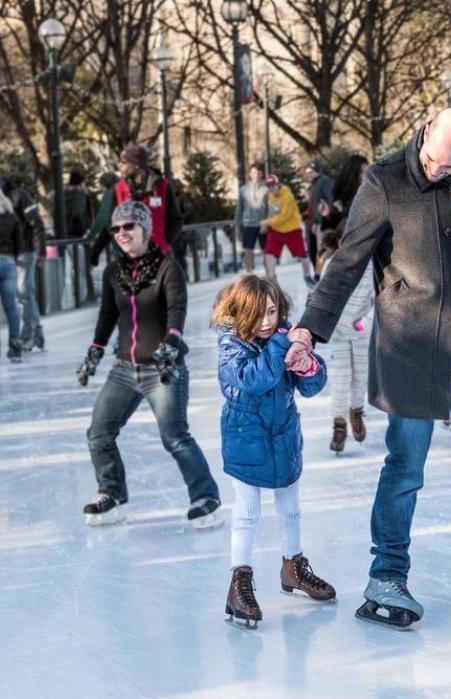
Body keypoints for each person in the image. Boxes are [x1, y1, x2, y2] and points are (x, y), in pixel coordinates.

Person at [288, 108, 451, 628]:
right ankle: (386, 575)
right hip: (410, 345)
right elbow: (347, 260)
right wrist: (309, 329)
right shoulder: (385, 179)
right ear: (426, 132)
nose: (436, 169)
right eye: (432, 157)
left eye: (449, 164)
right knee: (405, 466)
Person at [76, 201, 221, 527]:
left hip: (162, 369)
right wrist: (95, 351)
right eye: (116, 229)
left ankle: (206, 498)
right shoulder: (113, 272)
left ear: (145, 228)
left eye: (129, 226)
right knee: (99, 433)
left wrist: (171, 342)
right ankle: (111, 495)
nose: (122, 233)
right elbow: (107, 315)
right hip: (124, 369)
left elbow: (177, 309)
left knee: (175, 437)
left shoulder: (167, 267)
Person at [211, 275, 333, 629]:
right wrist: (284, 345)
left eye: (272, 311)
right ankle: (240, 582)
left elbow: (311, 387)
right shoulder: (231, 348)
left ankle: (293, 567)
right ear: (240, 314)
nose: (267, 321)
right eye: (257, 314)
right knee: (247, 513)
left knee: (290, 508)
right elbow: (255, 378)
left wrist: (307, 364)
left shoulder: (280, 341)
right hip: (245, 439)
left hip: (283, 436)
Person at [321, 154, 373, 455]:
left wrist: (363, 322)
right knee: (341, 376)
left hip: (360, 326)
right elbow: (323, 298)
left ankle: (356, 410)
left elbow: (376, 299)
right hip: (339, 330)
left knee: (360, 375)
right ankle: (339, 423)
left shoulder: (371, 265)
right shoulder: (333, 267)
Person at [88, 144, 183, 265]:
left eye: (124, 162)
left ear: (137, 165)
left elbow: (177, 219)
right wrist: (96, 250)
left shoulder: (162, 187)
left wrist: (164, 242)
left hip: (160, 257)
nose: (119, 165)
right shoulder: (119, 190)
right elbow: (110, 225)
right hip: (130, 260)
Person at [0, 177, 47, 352]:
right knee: (25, 294)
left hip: (25, 250)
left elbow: (37, 223)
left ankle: (28, 336)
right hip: (12, 253)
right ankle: (37, 333)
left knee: (24, 294)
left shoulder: (20, 196)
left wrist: (41, 250)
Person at [261, 174, 316, 290]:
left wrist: (267, 222)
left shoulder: (288, 196)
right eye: (269, 186)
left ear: (277, 184)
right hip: (276, 230)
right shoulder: (271, 195)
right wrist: (268, 223)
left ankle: (307, 276)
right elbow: (272, 211)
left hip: (292, 229)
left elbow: (284, 216)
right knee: (269, 252)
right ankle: (272, 278)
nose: (271, 189)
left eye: (272, 186)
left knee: (302, 254)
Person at [64, 170, 97, 302]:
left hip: (66, 237)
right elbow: (78, 214)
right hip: (79, 236)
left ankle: (77, 295)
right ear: (82, 183)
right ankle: (82, 299)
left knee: (75, 269)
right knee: (82, 270)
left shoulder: (64, 195)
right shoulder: (79, 195)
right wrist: (85, 231)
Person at [0, 186, 24, 362]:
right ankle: (15, 347)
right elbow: (20, 245)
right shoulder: (12, 218)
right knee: (11, 308)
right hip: (8, 262)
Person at [234, 163, 269, 274]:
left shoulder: (267, 188)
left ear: (262, 174)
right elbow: (239, 208)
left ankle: (269, 273)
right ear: (250, 174)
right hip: (248, 224)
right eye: (254, 172)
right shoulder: (243, 189)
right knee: (248, 250)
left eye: (259, 173)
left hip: (263, 224)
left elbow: (271, 208)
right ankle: (249, 274)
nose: (256, 175)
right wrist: (237, 225)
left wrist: (267, 223)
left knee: (266, 251)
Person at [304, 162, 334, 274]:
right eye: (307, 173)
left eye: (311, 172)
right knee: (314, 252)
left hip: (323, 223)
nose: (309, 175)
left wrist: (319, 220)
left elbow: (329, 200)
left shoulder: (324, 181)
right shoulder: (314, 184)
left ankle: (322, 275)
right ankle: (318, 275)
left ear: (318, 171)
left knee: (324, 250)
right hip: (313, 222)